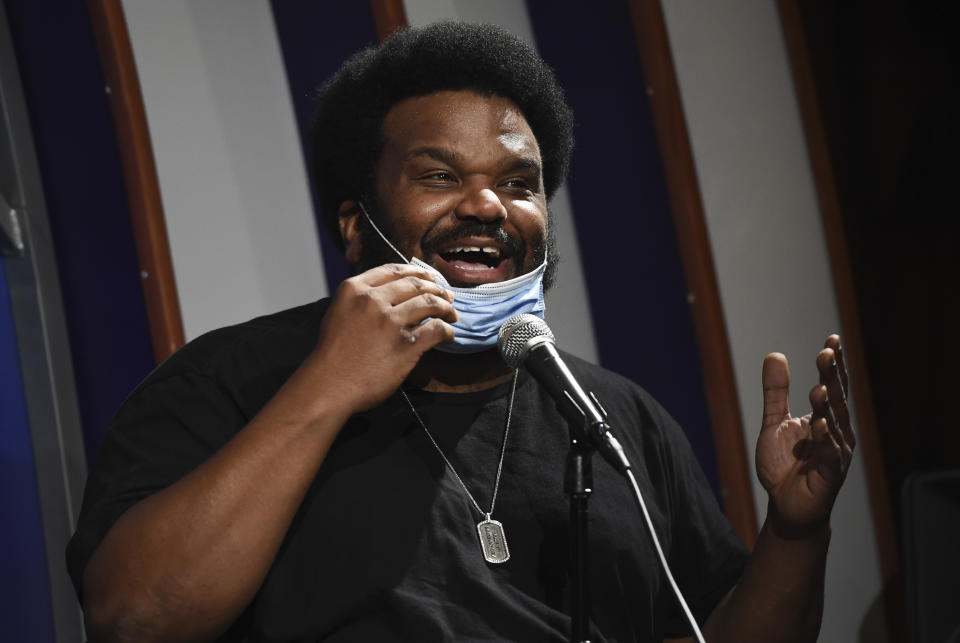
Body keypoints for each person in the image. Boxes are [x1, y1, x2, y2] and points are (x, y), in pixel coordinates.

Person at [67, 22, 855, 643]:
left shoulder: (612, 416)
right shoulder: (228, 380)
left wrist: (794, 528)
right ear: (355, 226)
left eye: (518, 183)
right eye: (440, 175)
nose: (486, 206)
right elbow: (133, 618)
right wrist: (327, 386)